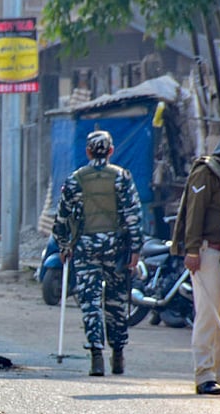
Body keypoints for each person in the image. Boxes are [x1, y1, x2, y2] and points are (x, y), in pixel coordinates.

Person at [171, 112, 220, 395]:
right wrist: (191, 250)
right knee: (208, 314)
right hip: (209, 254)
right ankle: (204, 374)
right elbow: (195, 214)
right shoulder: (207, 171)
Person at [52, 130, 143, 376]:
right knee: (116, 302)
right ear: (111, 151)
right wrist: (136, 249)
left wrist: (63, 246)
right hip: (117, 249)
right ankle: (118, 354)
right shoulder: (122, 178)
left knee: (90, 302)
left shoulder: (75, 179)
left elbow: (62, 217)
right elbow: (133, 217)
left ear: (88, 151)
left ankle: (96, 356)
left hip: (85, 249)